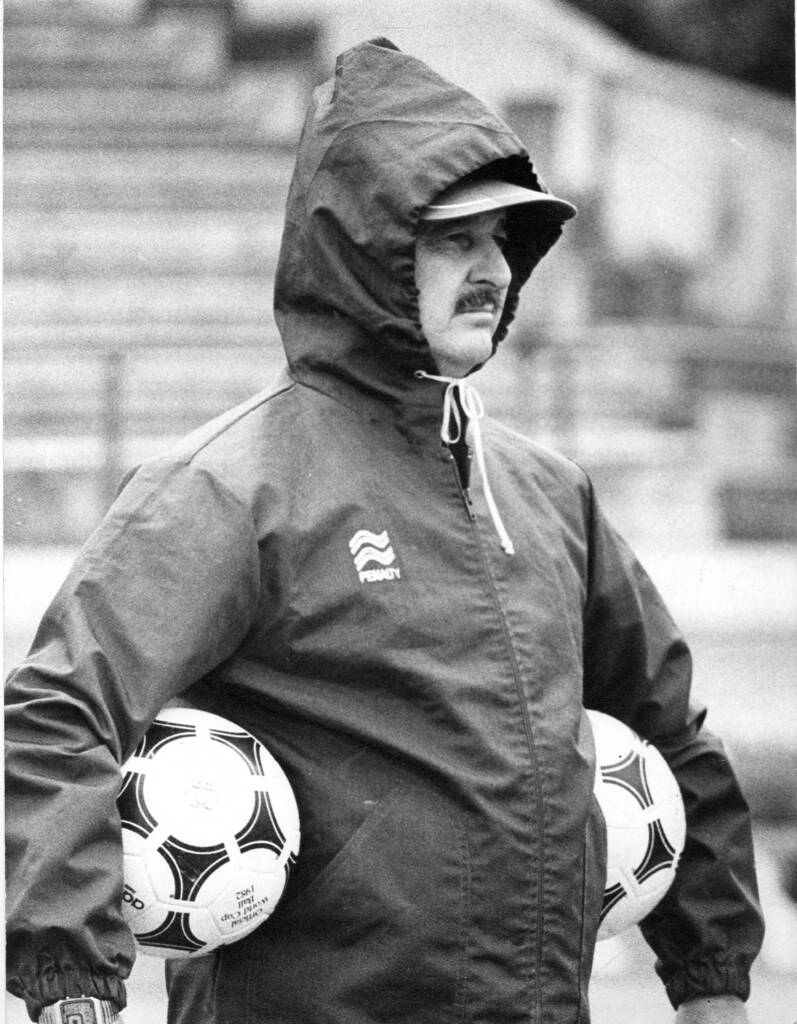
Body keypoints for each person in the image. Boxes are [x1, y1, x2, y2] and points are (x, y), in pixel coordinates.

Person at [5, 38, 763, 1024]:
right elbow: (60, 708)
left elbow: (669, 731)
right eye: (453, 240)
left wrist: (711, 977)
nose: (492, 268)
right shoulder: (233, 484)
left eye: (501, 239)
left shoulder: (547, 492)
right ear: (367, 253)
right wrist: (71, 983)